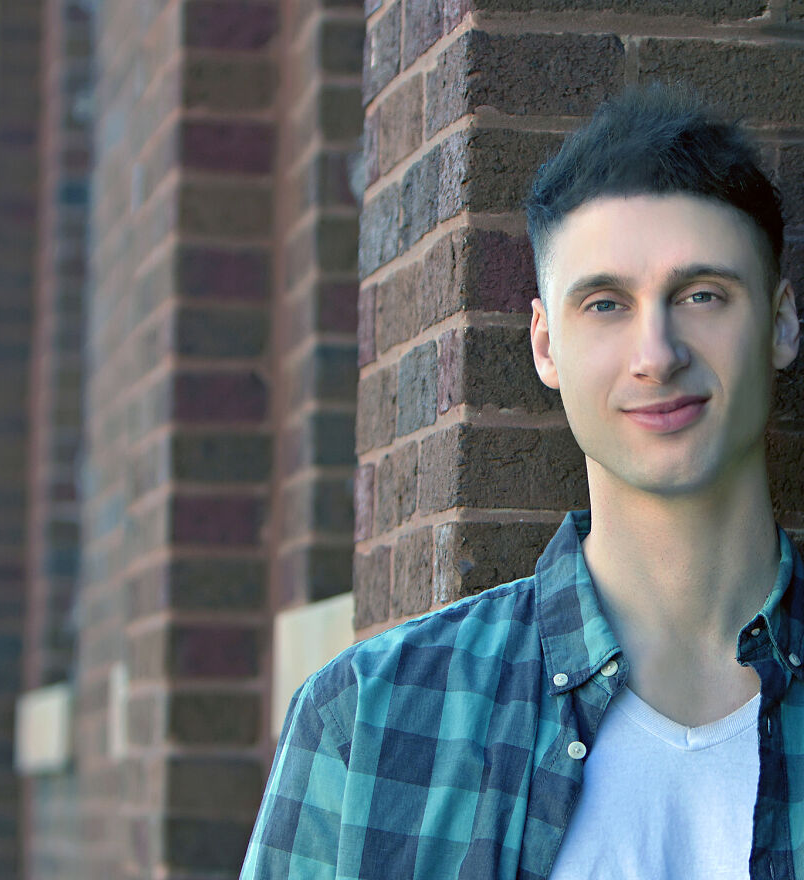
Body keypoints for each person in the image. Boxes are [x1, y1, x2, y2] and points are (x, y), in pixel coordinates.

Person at [240, 85, 803, 879]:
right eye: (605, 304)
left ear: (781, 322)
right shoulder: (367, 719)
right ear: (545, 345)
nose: (657, 353)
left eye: (702, 295)